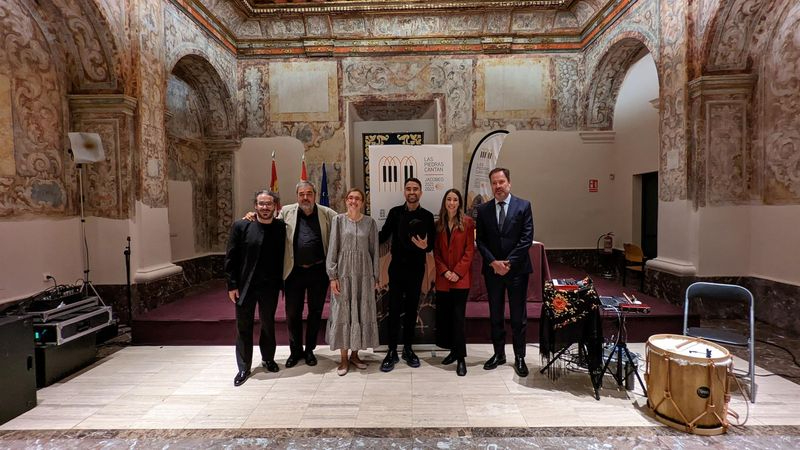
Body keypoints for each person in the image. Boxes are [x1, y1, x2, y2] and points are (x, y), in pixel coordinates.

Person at [475, 167, 534, 377]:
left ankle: (519, 357)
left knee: (518, 316)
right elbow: (480, 240)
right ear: (490, 185)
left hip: (517, 270)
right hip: (493, 271)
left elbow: (526, 239)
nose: (498, 186)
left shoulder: (523, 206)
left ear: (509, 183)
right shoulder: (483, 210)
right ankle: (499, 354)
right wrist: (493, 262)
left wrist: (507, 263)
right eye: (494, 183)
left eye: (501, 182)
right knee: (495, 314)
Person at [225, 190, 285, 386]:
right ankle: (243, 367)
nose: (265, 207)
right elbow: (231, 257)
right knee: (243, 327)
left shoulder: (281, 227)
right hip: (245, 286)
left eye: (269, 204)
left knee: (268, 324)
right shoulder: (241, 226)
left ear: (275, 206)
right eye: (261, 204)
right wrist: (232, 284)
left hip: (270, 286)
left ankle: (268, 359)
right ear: (255, 205)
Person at [378, 177, 436, 372]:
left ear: (420, 192)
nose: (412, 192)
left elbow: (432, 244)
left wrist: (426, 246)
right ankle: (392, 351)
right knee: (393, 310)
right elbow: (383, 236)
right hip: (396, 269)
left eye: (415, 189)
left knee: (412, 310)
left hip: (417, 270)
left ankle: (408, 349)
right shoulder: (395, 213)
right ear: (404, 192)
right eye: (409, 189)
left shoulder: (428, 216)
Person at [278, 181, 338, 368]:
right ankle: (295, 351)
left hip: (318, 271)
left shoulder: (327, 213)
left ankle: (310, 350)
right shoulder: (286, 212)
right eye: (302, 194)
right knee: (293, 313)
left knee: (315, 312)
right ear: (297, 196)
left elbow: (343, 223)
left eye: (309, 193)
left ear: (315, 194)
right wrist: (252, 216)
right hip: (293, 271)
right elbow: (270, 227)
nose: (305, 197)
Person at [326, 188, 380, 376]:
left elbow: (374, 252)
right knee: (343, 313)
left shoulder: (370, 223)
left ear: (363, 202)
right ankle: (343, 359)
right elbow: (332, 249)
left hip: (364, 274)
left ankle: (355, 355)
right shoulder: (338, 221)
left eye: (357, 198)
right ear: (345, 201)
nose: (353, 201)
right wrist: (332, 277)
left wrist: (375, 276)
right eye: (350, 198)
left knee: (360, 312)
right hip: (343, 274)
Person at [433, 188, 475, 377]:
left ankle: (461, 359)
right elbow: (437, 253)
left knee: (458, 319)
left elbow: (469, 251)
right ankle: (452, 351)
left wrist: (456, 273)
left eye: (455, 200)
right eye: (448, 199)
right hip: (444, 280)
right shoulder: (438, 224)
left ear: (459, 203)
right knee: (447, 318)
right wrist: (444, 271)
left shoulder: (467, 223)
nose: (451, 203)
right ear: (444, 202)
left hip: (460, 280)